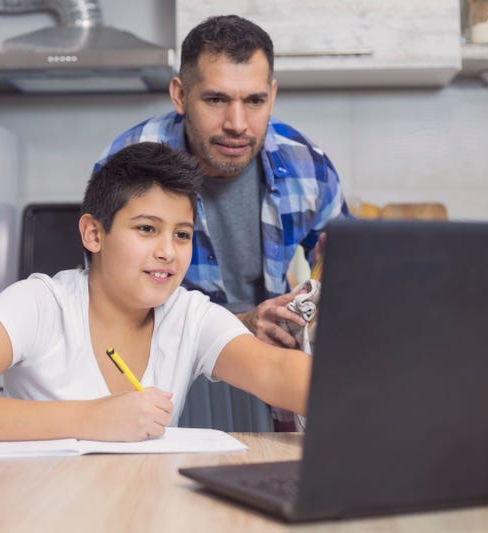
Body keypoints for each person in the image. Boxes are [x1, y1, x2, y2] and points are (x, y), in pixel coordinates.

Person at [0, 143, 310, 443]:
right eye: (146, 229)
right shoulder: (38, 304)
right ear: (94, 233)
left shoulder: (190, 315)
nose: (168, 251)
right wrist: (89, 419)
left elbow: (275, 372)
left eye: (182, 234)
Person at [95, 15, 350, 349]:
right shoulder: (128, 166)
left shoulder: (307, 166)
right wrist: (240, 325)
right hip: (162, 359)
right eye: (216, 100)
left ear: (272, 96)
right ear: (180, 95)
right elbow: (111, 307)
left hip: (270, 358)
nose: (237, 124)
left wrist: (336, 269)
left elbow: (348, 269)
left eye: (255, 101)